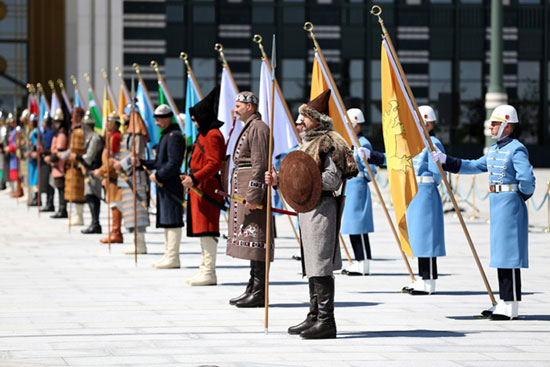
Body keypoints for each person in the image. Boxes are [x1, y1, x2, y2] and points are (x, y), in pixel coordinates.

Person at [266, 90, 358, 339]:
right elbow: (298, 178)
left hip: (322, 208)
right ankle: (314, 315)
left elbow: (331, 178)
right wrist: (278, 181)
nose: (300, 122)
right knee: (311, 263)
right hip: (308, 209)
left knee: (320, 264)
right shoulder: (308, 143)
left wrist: (303, 180)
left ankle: (327, 321)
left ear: (317, 119)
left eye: (304, 118)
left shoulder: (328, 142)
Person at [430, 104, 535, 320]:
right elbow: (473, 166)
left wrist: (519, 197)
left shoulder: (516, 149)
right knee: (500, 255)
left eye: (496, 123)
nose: (492, 127)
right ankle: (503, 301)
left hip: (510, 204)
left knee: (510, 256)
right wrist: (445, 160)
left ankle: (511, 306)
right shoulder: (495, 150)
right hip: (497, 205)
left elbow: (527, 180)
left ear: (508, 126)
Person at [226, 91, 271, 308]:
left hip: (253, 193)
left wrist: (254, 194)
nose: (235, 109)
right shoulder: (250, 126)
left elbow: (260, 164)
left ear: (250, 106)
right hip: (243, 190)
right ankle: (252, 287)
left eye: (238, 106)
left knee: (258, 239)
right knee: (252, 242)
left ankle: (260, 291)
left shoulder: (259, 128)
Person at [400, 105, 447, 295]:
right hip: (416, 192)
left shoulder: (433, 143)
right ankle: (421, 278)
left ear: (428, 123)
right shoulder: (415, 142)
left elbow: (437, 174)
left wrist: (426, 185)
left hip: (426, 192)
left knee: (427, 237)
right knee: (418, 236)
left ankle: (428, 282)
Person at [181, 86, 225, 286]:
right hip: (198, 187)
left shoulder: (213, 135)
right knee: (201, 229)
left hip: (206, 188)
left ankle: (209, 271)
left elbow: (213, 164)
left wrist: (195, 178)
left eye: (195, 117)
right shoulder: (203, 133)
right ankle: (204, 269)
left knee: (208, 229)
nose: (194, 121)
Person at [135, 104, 184, 268]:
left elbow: (174, 163)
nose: (156, 123)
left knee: (173, 219)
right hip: (164, 184)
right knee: (166, 220)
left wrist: (158, 175)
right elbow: (159, 162)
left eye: (159, 119)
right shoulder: (166, 135)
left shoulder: (174, 136)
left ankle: (173, 257)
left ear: (168, 118)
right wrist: (141, 163)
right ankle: (168, 254)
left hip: (171, 184)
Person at [340, 108, 378, 276]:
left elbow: (371, 168)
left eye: (351, 124)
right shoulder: (349, 142)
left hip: (358, 185)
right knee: (351, 225)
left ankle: (363, 262)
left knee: (359, 225)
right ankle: (357, 260)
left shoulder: (364, 143)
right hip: (349, 185)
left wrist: (367, 177)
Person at [113, 106, 151, 254]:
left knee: (137, 212)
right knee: (130, 212)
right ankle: (135, 241)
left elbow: (137, 157)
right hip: (128, 178)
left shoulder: (137, 135)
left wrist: (121, 164)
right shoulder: (129, 135)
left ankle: (140, 244)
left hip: (136, 178)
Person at [93, 113, 123, 243]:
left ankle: (117, 232)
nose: (106, 124)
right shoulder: (110, 137)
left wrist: (101, 171)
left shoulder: (115, 137)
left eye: (109, 121)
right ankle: (114, 231)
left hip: (114, 175)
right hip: (109, 174)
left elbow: (113, 160)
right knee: (112, 203)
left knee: (116, 203)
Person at [78, 111, 104, 234]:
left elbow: (89, 157)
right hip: (89, 170)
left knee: (92, 195)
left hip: (94, 169)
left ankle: (96, 223)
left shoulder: (94, 138)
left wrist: (78, 158)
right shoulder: (88, 137)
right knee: (89, 195)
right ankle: (94, 222)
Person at [63, 107, 87, 226]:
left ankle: (79, 215)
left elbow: (81, 148)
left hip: (79, 164)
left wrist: (75, 156)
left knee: (78, 191)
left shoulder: (81, 130)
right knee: (72, 190)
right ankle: (76, 214)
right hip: (71, 163)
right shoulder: (74, 129)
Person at [45, 109, 68, 218]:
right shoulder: (57, 134)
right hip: (56, 166)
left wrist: (50, 158)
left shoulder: (62, 135)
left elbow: (59, 151)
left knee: (61, 188)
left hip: (60, 166)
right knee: (58, 187)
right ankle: (60, 208)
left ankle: (62, 209)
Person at [38, 115, 56, 212]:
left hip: (48, 160)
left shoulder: (50, 133)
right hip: (43, 160)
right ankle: (48, 203)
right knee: (45, 183)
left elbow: (49, 149)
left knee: (49, 183)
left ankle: (50, 203)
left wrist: (42, 150)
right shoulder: (44, 132)